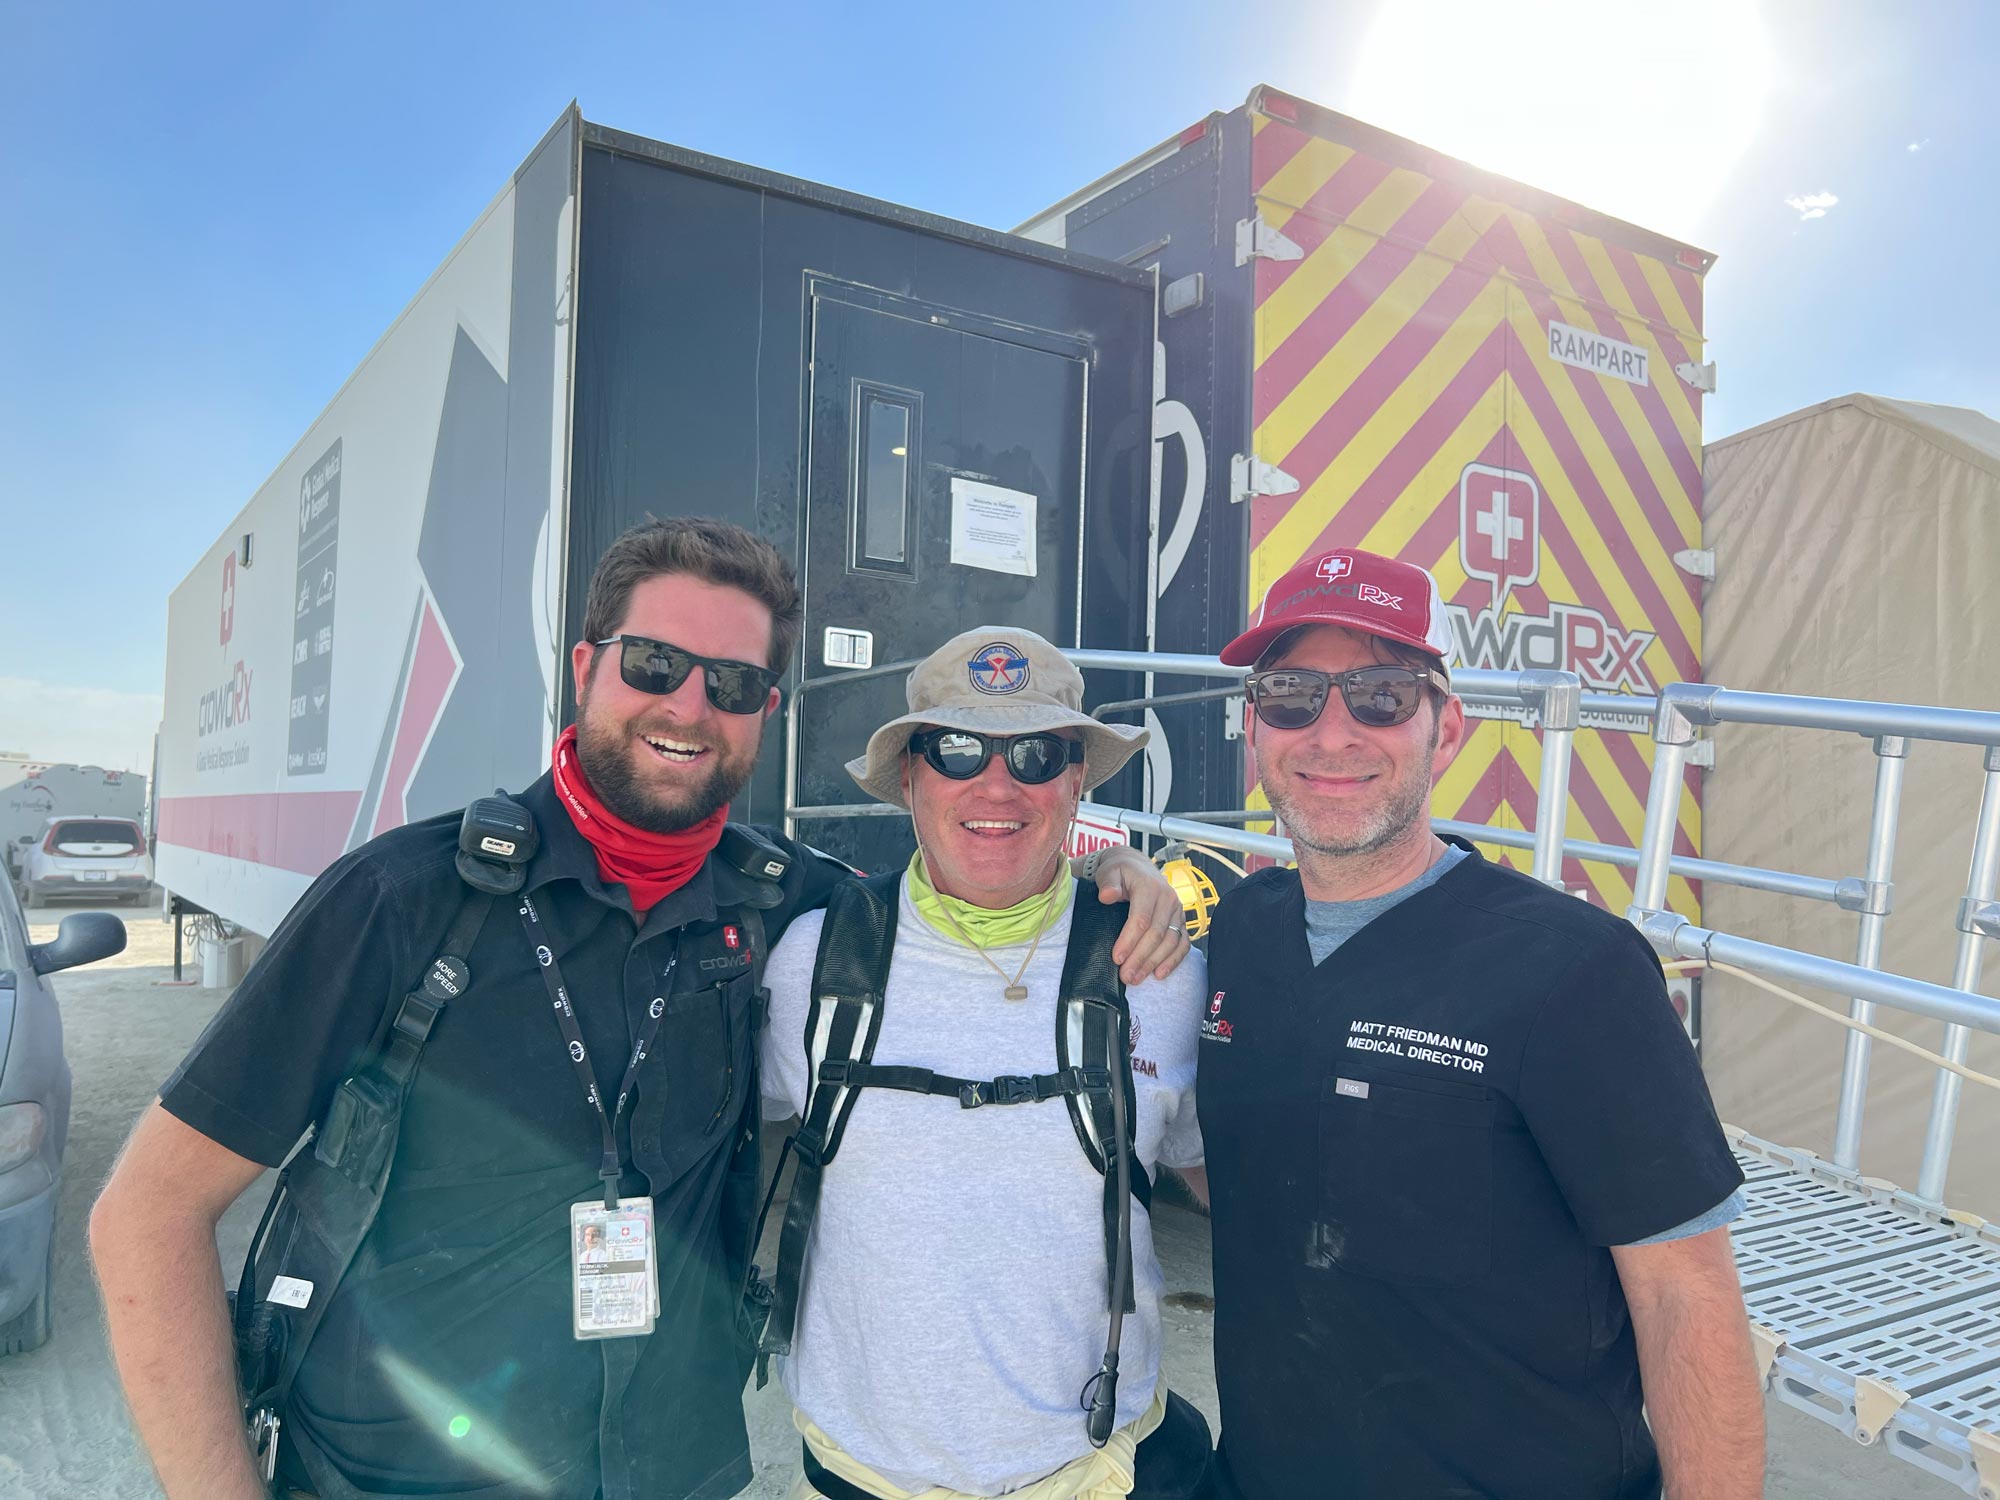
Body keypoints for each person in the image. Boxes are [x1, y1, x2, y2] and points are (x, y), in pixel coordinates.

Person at [89, 519, 1191, 1500]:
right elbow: (145, 1217)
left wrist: (1119, 879)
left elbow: (968, 884)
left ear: (765, 712)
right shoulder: (404, 902)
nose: (689, 706)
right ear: (585, 667)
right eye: (656, 663)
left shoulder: (795, 912)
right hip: (399, 1473)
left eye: (734, 683)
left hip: (672, 1467)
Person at [1195, 546, 1764, 1500]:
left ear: (1445, 729)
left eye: (1380, 695)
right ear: (1253, 728)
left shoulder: (1573, 967)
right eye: (1292, 694)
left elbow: (1684, 1300)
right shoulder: (1243, 930)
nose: (1332, 733)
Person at [757, 627, 1212, 1500]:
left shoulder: (1162, 974)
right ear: (909, 778)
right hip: (858, 1470)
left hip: (1097, 1471)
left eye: (1039, 755)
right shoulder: (812, 958)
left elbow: (1230, 1181)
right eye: (957, 750)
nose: (997, 785)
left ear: (1077, 782)